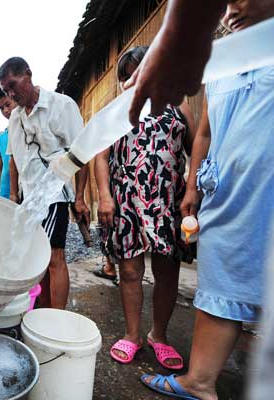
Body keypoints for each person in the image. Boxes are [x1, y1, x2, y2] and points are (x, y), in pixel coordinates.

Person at [141, 1, 274, 398]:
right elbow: (205, 133)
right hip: (228, 193)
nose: (231, 9)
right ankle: (200, 381)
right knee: (221, 278)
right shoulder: (221, 61)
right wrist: (192, 185)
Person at [95, 46, 196, 370]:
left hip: (168, 200)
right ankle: (133, 334)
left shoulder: (179, 103)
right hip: (126, 199)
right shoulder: (119, 107)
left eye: (139, 70)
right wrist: (105, 196)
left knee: (168, 272)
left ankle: (160, 335)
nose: (132, 80)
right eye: (126, 75)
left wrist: (192, 190)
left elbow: (198, 149)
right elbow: (100, 155)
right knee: (129, 270)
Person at [0, 57, 90, 309]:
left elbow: (82, 154)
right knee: (37, 258)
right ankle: (42, 311)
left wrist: (79, 197)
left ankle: (56, 317)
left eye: (14, 85)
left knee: (55, 256)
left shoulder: (61, 105)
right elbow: (14, 159)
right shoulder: (15, 118)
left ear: (28, 74)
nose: (11, 93)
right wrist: (14, 194)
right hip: (30, 198)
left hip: (54, 193)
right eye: (6, 90)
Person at [126, 0, 228, 124]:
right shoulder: (116, 121)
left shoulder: (179, 108)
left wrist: (174, 32)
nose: (127, 82)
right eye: (124, 78)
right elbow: (204, 135)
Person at [0, 88, 17, 199]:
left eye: (8, 105)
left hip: (21, 189)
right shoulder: (1, 137)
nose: (6, 111)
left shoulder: (24, 129)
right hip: (4, 191)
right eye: (1, 108)